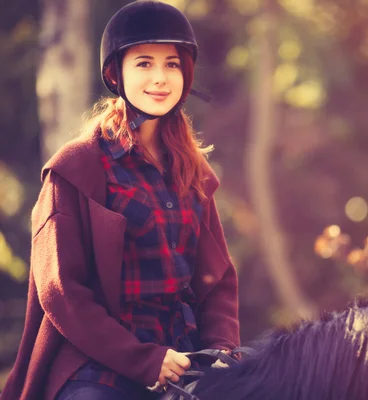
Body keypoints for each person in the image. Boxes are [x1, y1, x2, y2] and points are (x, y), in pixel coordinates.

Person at [0, 1, 240, 399]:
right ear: (116, 73)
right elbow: (62, 292)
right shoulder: (76, 169)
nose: (160, 78)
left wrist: (220, 352)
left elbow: (217, 283)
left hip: (184, 360)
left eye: (172, 64)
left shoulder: (193, 174)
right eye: (144, 63)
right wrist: (145, 360)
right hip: (96, 368)